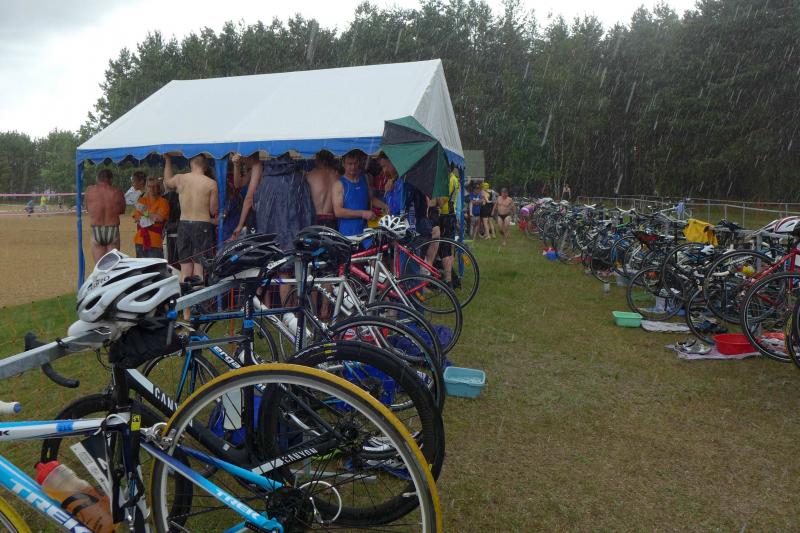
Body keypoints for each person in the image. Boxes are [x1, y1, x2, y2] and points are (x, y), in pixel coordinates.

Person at [164, 154, 218, 284]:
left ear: (190, 164)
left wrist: (167, 160)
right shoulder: (211, 183)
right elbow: (213, 210)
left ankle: (185, 296)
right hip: (202, 225)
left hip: (184, 224)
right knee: (199, 270)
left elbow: (167, 181)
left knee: (185, 269)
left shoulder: (180, 178)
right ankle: (198, 295)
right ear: (205, 166)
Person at [333, 150, 388, 236]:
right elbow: (338, 211)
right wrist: (362, 213)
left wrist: (385, 206)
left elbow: (371, 199)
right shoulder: (339, 184)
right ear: (343, 164)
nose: (353, 167)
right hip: (348, 234)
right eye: (350, 164)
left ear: (359, 162)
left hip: (366, 232)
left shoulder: (364, 179)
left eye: (355, 163)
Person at [85, 168, 126, 262]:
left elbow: (88, 209)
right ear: (111, 179)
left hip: (96, 229)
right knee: (113, 266)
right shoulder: (117, 191)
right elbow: (122, 210)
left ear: (97, 178)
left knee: (99, 266)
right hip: (112, 229)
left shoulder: (89, 190)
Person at [132, 177, 170, 258]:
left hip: (155, 241)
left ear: (159, 188)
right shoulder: (142, 201)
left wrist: (145, 213)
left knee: (155, 265)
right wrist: (152, 217)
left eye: (154, 186)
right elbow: (137, 218)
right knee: (141, 265)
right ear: (146, 188)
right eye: (149, 186)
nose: (152, 189)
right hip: (140, 239)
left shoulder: (163, 202)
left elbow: (159, 218)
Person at [306, 150, 340, 229]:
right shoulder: (338, 176)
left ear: (318, 159)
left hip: (316, 220)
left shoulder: (310, 176)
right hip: (332, 221)